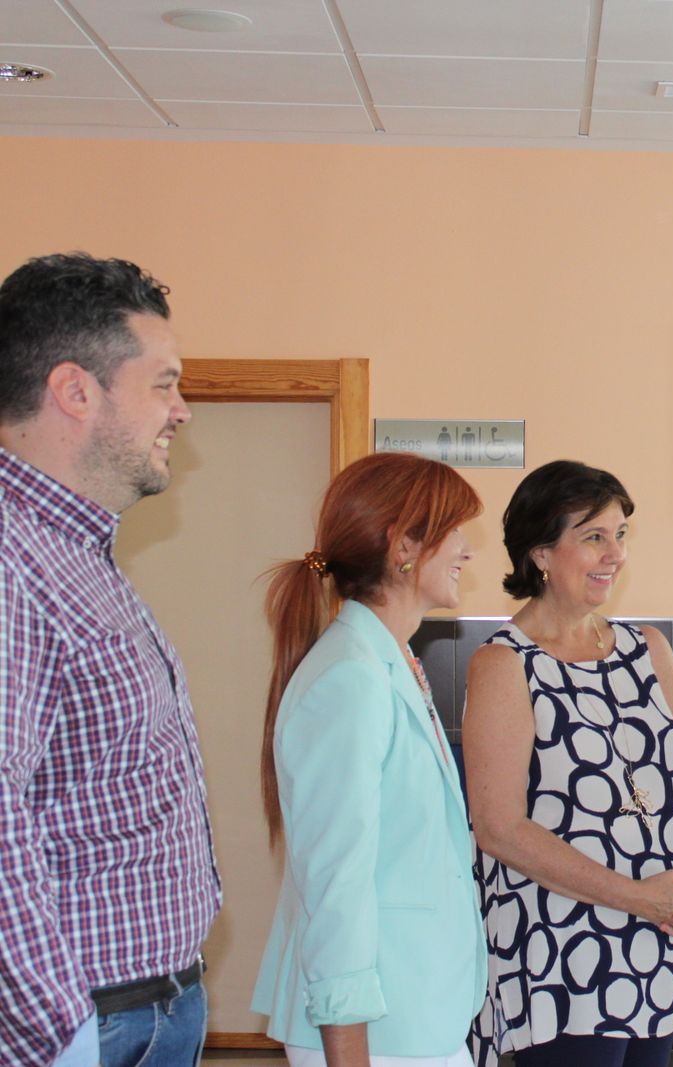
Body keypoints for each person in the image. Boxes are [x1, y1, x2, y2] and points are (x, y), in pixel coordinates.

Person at [0, 253, 220, 1067]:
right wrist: (63, 1036)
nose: (181, 410)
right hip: (90, 1025)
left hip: (145, 1010)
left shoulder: (75, 550)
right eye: (163, 384)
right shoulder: (13, 557)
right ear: (75, 390)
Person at [466, 460, 673, 1067]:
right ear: (541, 553)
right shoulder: (504, 664)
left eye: (621, 534)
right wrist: (637, 897)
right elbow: (498, 828)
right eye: (593, 537)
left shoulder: (648, 648)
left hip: (659, 928)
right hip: (562, 944)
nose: (615, 554)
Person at [251, 452, 487, 1067]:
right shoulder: (351, 677)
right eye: (454, 532)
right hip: (370, 1032)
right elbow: (337, 881)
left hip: (413, 1017)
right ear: (403, 545)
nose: (467, 551)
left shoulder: (387, 661)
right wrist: (348, 1049)